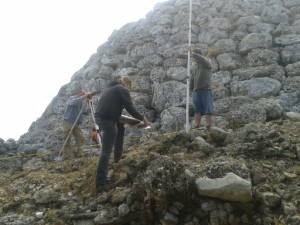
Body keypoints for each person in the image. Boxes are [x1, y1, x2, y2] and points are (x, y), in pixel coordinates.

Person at [94, 80, 149, 194]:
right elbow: (130, 108)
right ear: (127, 84)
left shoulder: (109, 89)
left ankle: (117, 160)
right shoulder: (122, 89)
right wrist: (143, 118)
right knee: (106, 151)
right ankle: (100, 183)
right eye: (129, 86)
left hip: (101, 118)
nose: (129, 88)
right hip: (108, 120)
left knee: (120, 129)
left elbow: (111, 108)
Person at [62, 84, 91, 159]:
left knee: (80, 137)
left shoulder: (81, 102)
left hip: (76, 123)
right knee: (67, 139)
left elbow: (85, 112)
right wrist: (85, 96)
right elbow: (74, 103)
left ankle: (80, 153)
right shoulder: (72, 99)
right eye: (81, 92)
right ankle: (66, 156)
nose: (82, 93)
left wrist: (88, 103)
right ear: (78, 93)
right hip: (68, 122)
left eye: (83, 92)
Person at [189, 48, 213, 129]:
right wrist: (190, 89)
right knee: (197, 109)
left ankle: (209, 125)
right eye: (193, 56)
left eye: (195, 56)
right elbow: (192, 78)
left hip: (206, 89)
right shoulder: (193, 65)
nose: (194, 58)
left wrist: (193, 53)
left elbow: (202, 59)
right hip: (196, 90)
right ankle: (197, 125)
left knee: (208, 108)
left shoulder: (206, 61)